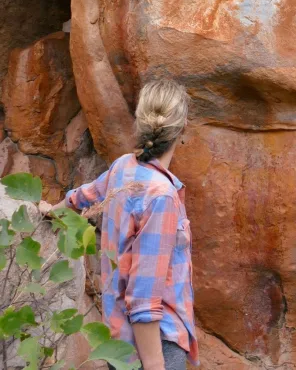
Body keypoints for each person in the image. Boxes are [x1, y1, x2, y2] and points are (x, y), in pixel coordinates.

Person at [50, 80, 198, 370]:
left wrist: (50, 211)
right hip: (156, 345)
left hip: (119, 344)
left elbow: (82, 197)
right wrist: (155, 365)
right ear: (181, 130)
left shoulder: (123, 168)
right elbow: (144, 298)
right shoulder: (161, 196)